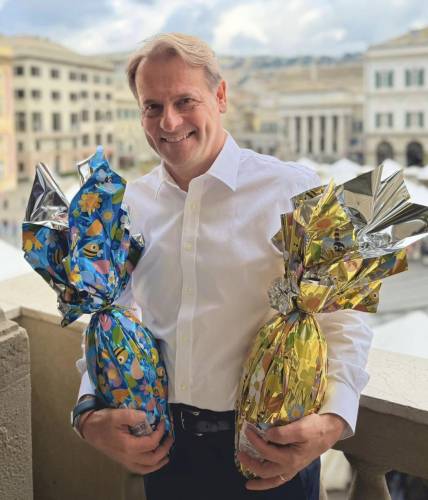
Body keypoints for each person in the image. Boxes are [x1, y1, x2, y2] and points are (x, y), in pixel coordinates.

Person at [72, 33, 373, 500]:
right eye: (152, 106)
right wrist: (88, 410)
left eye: (184, 101)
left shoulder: (295, 187)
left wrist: (333, 421)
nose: (169, 122)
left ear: (221, 96)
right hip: (165, 452)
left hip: (271, 448)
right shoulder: (128, 205)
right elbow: (112, 319)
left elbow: (345, 317)